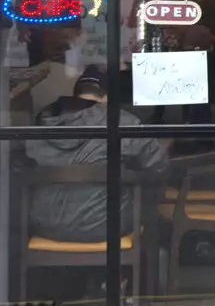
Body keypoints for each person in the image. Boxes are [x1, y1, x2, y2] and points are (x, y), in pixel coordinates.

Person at [25, 70, 169, 243]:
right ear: (107, 97)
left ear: (76, 95)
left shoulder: (38, 125)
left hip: (46, 227)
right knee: (148, 207)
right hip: (109, 227)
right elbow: (158, 168)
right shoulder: (123, 122)